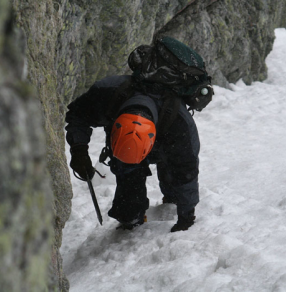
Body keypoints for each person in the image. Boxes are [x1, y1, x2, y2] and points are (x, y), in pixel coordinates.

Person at [65, 37, 214, 232]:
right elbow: (78, 115)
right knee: (128, 201)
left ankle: (170, 200)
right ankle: (131, 216)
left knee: (173, 180)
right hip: (124, 146)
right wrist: (79, 151)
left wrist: (186, 214)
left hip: (164, 141)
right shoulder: (109, 94)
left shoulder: (180, 124)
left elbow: (186, 170)